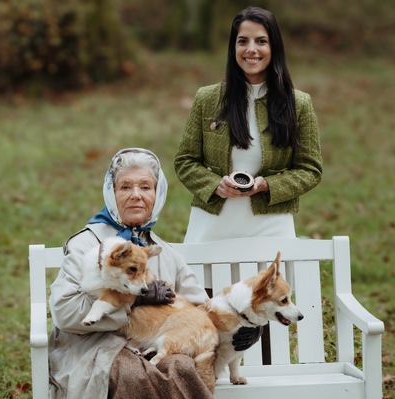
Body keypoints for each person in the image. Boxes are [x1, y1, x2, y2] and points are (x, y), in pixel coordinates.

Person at [47, 148, 260, 399]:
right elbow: (64, 312)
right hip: (94, 350)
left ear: (157, 194)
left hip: (158, 345)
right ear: (111, 193)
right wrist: (133, 300)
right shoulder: (88, 245)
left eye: (145, 187)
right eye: (125, 187)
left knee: (181, 367)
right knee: (131, 373)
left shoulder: (165, 254)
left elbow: (199, 310)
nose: (136, 195)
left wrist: (240, 326)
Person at [175, 6, 322, 244]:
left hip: (271, 227)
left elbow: (310, 169)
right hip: (211, 226)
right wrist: (215, 185)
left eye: (261, 41)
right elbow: (185, 162)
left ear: (274, 47)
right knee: (208, 284)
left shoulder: (299, 104)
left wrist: (267, 185)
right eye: (243, 41)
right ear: (234, 47)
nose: (251, 49)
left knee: (267, 283)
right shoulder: (208, 98)